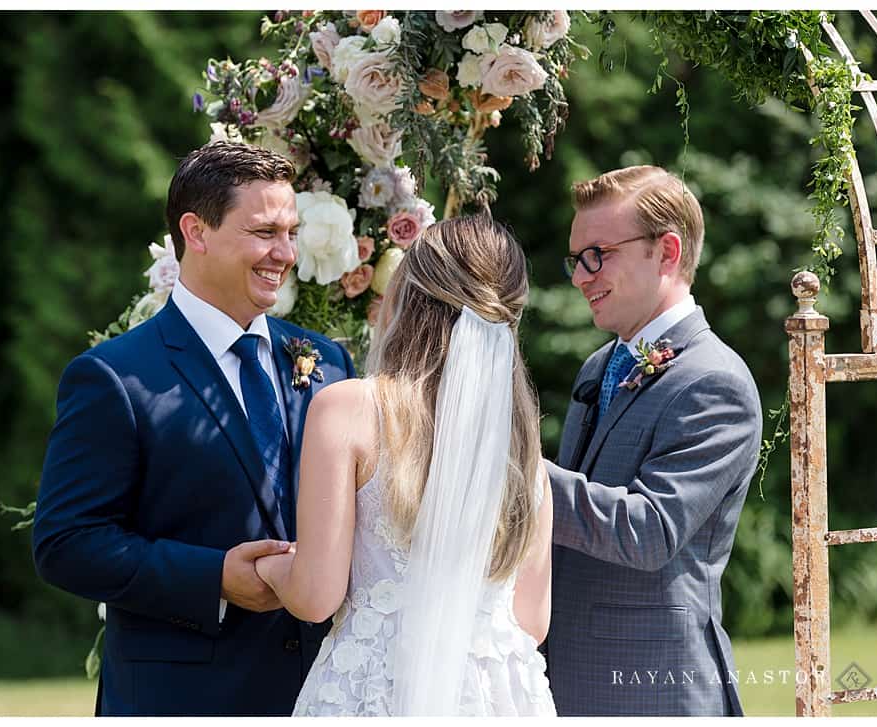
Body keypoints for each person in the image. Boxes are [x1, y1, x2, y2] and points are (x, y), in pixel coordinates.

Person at [32, 142, 356, 716]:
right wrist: (213, 578)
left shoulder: (327, 362)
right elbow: (66, 543)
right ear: (196, 232)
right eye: (263, 232)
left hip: (323, 693)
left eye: (291, 232)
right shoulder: (115, 377)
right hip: (183, 699)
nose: (284, 253)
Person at [253, 215, 556, 716]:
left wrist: (271, 563)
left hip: (377, 688)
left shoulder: (349, 409)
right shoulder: (526, 455)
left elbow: (315, 596)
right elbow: (530, 620)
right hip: (498, 696)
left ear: (410, 296)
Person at [544, 165, 762, 716]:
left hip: (653, 688)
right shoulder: (600, 365)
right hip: (567, 677)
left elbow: (648, 531)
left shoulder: (716, 381)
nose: (580, 276)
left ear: (666, 252)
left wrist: (515, 475)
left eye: (597, 254)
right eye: (576, 259)